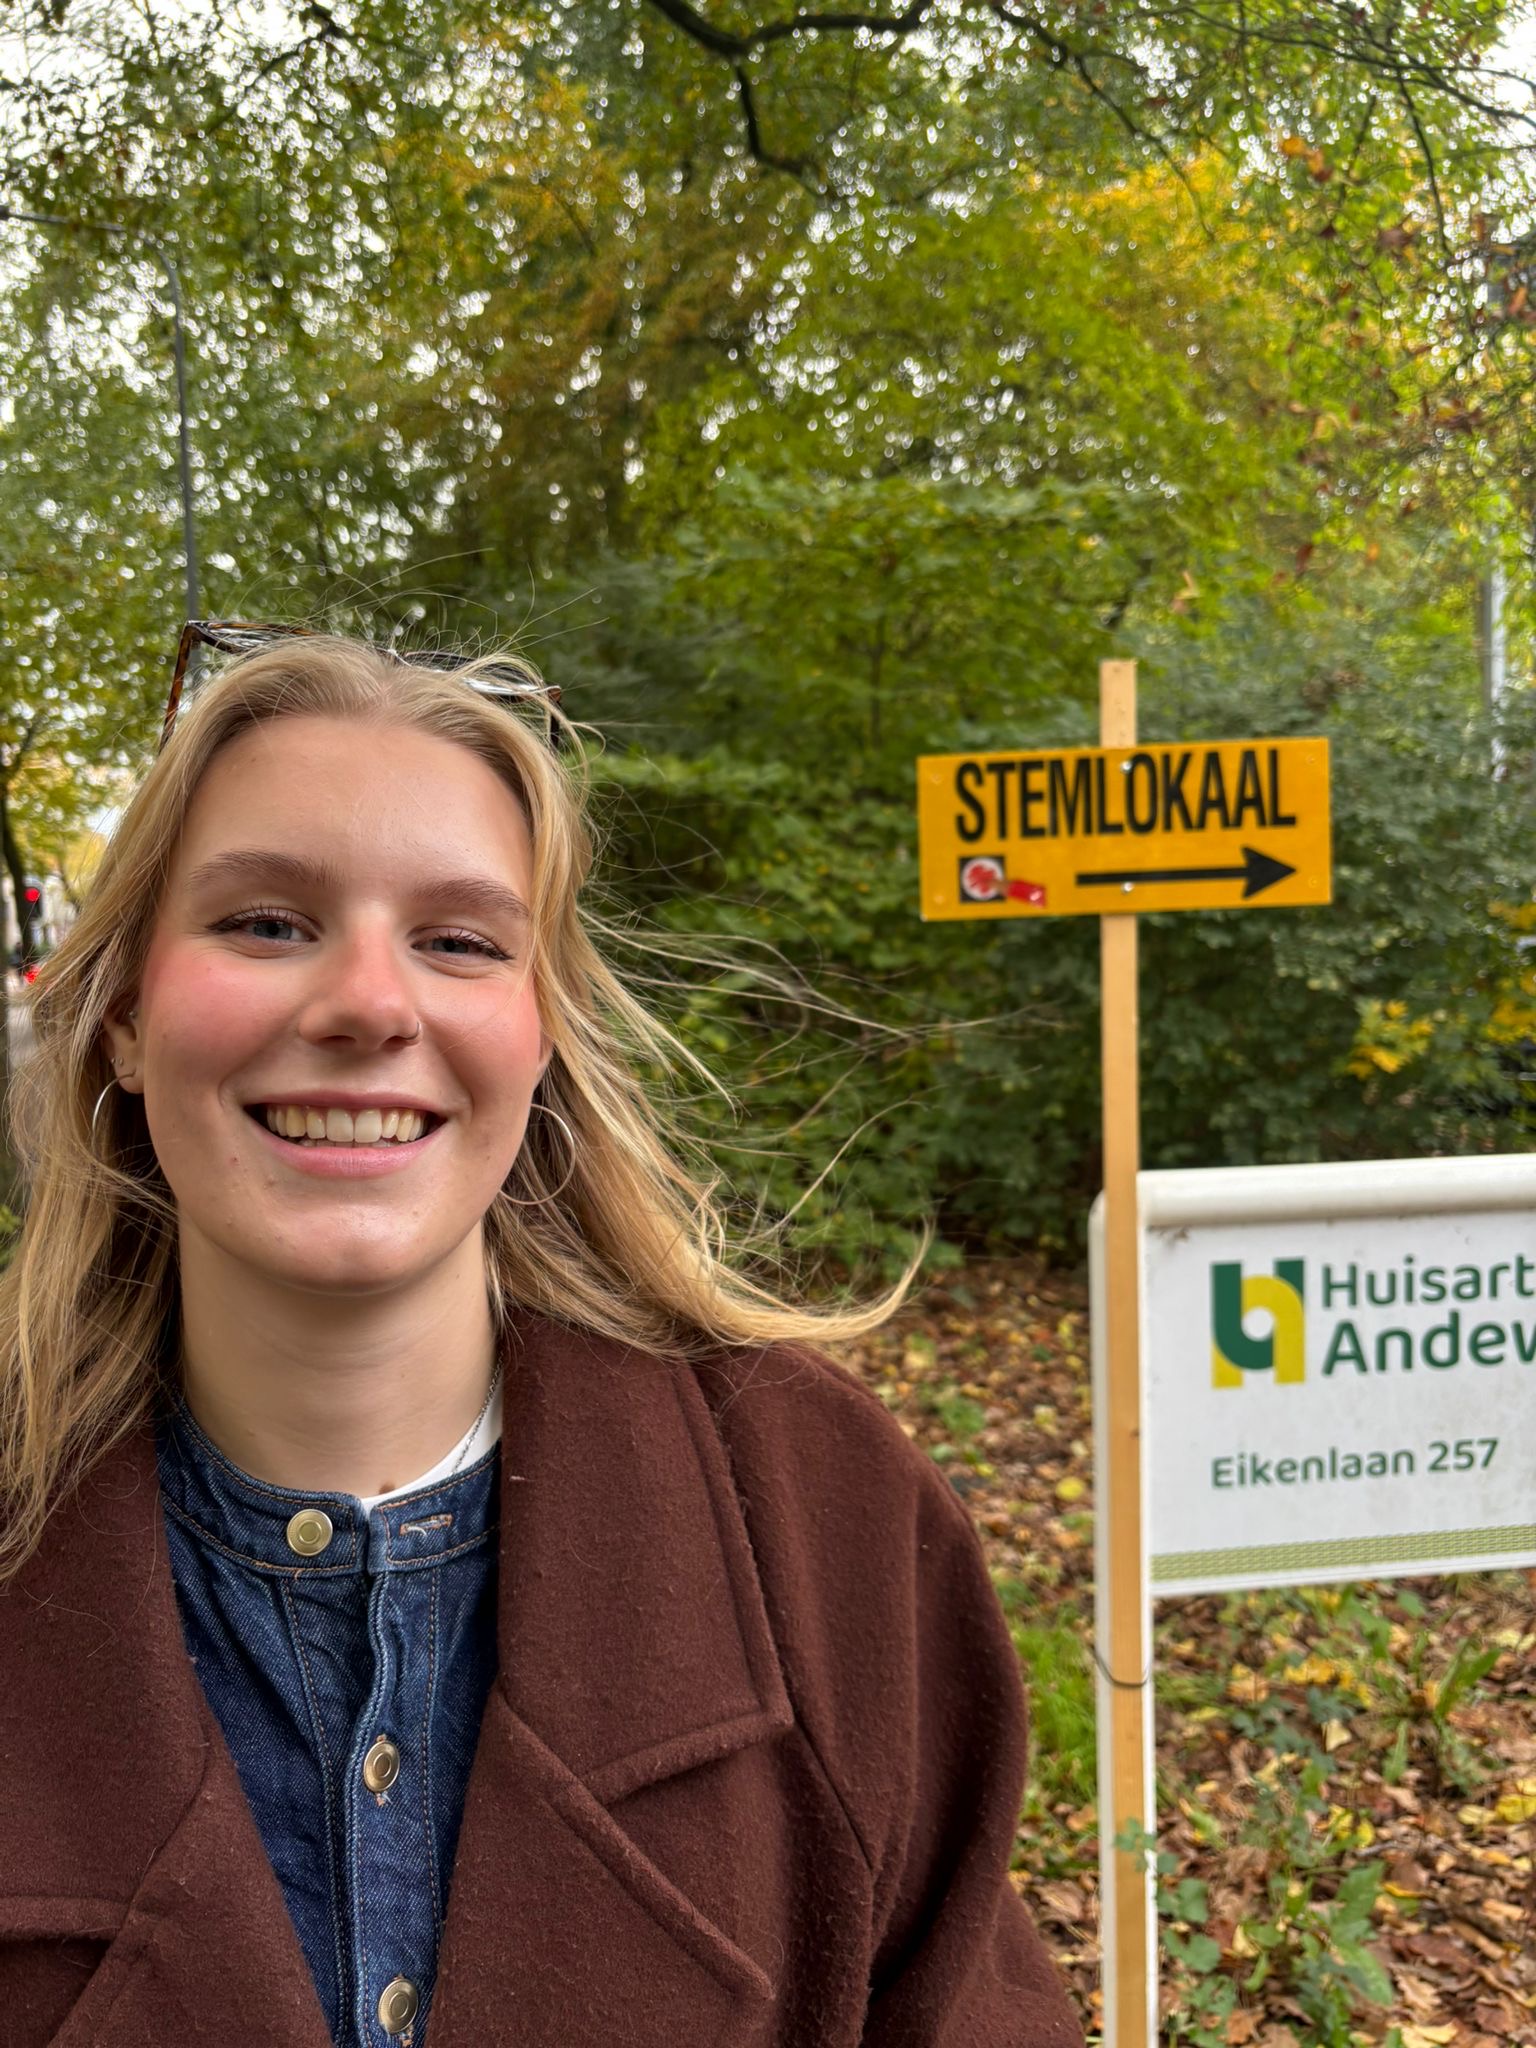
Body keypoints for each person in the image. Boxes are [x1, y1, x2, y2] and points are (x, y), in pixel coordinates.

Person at [0, 627, 1085, 2048]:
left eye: (458, 942)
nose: (370, 1006)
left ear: (543, 1032)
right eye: (267, 921)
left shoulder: (817, 1517)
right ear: (128, 1019)